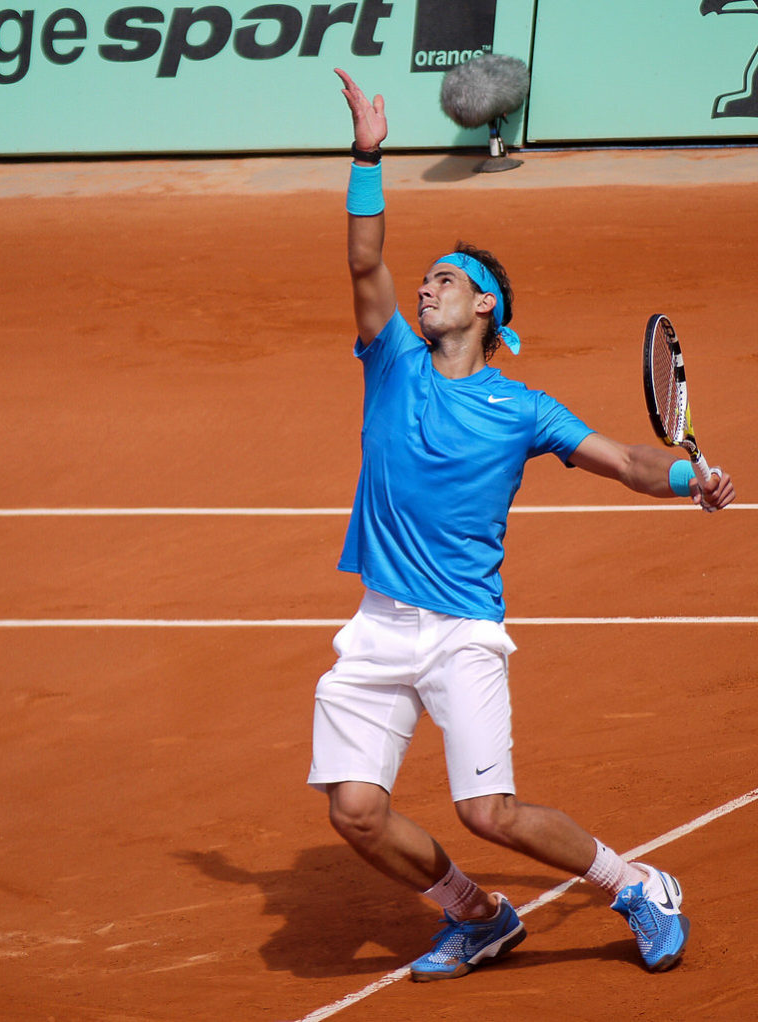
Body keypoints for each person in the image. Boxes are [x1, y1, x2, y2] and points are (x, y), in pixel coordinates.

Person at [307, 68, 735, 982]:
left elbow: (625, 460)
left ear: (484, 306)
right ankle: (478, 915)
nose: (424, 290)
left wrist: (688, 475)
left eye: (444, 280)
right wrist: (367, 156)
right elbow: (364, 262)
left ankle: (637, 884)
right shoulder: (391, 361)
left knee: (488, 813)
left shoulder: (524, 408)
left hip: (462, 627)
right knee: (354, 811)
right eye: (424, 280)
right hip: (380, 621)